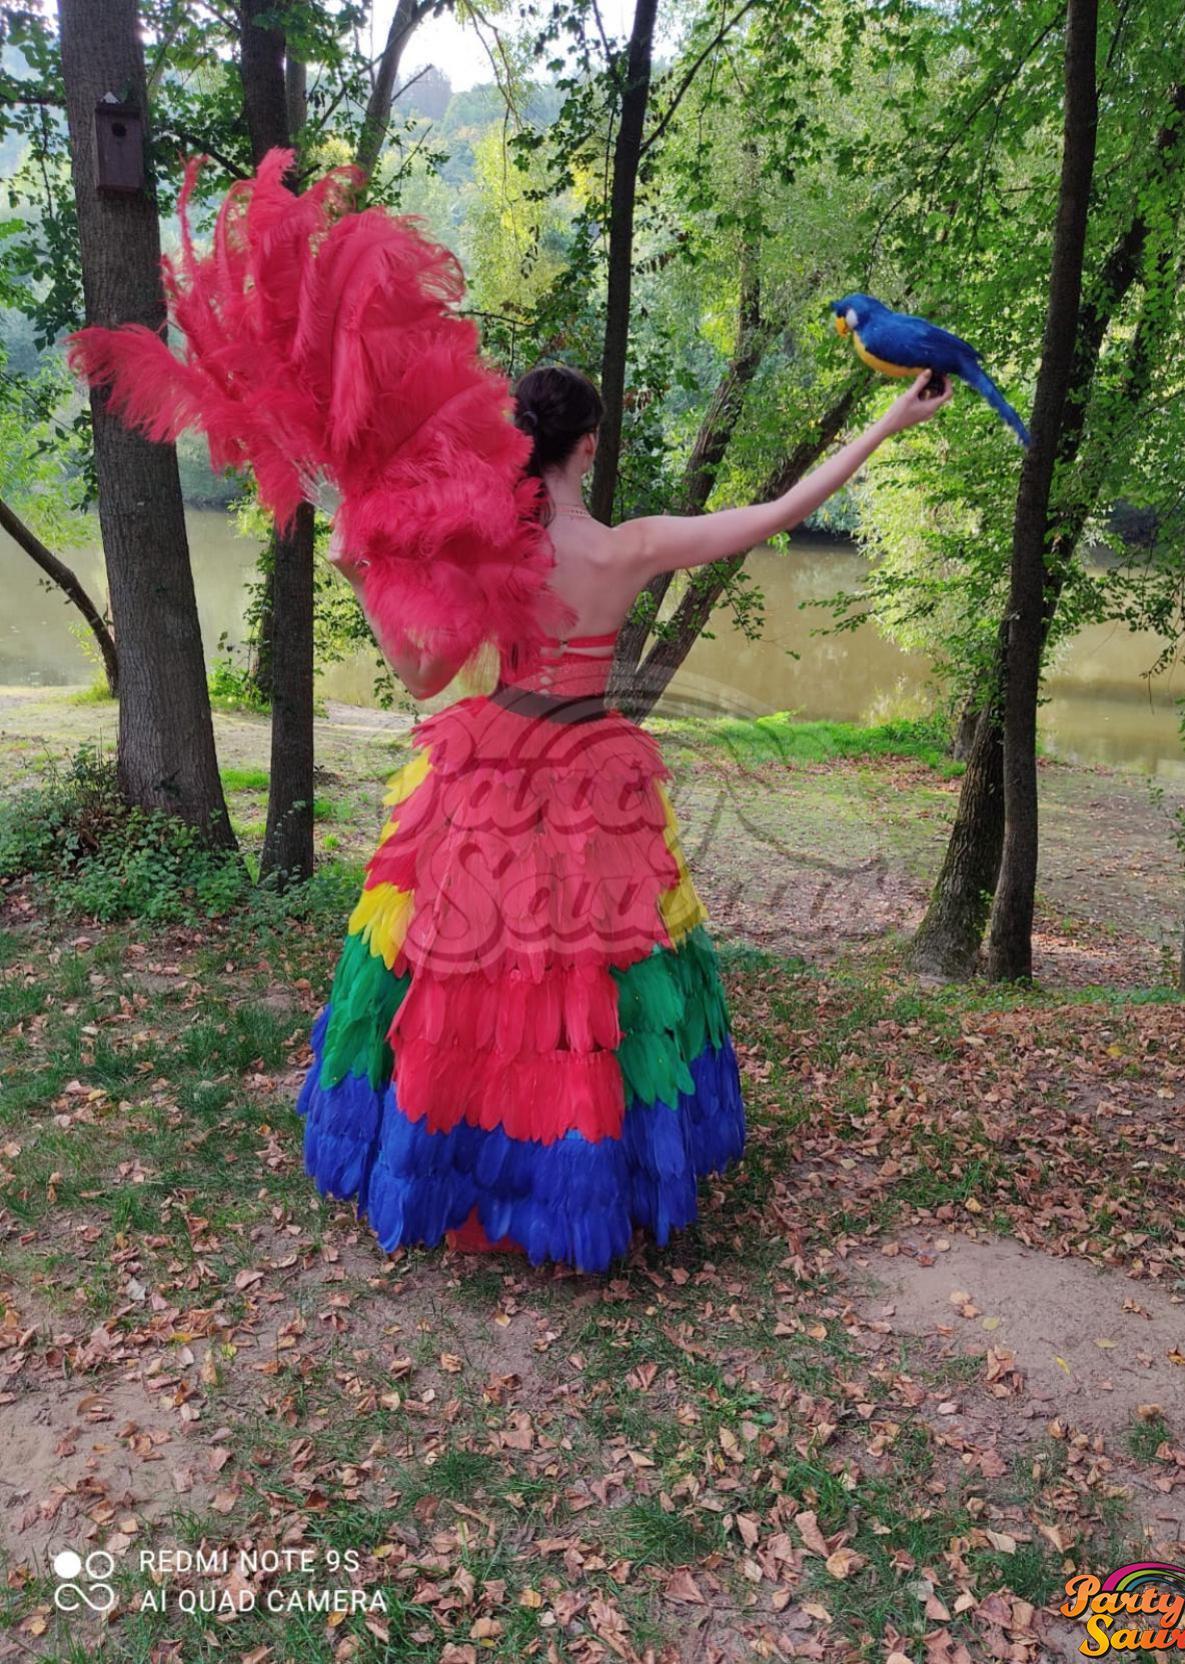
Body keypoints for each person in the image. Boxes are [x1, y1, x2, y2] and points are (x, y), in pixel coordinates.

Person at [295, 361, 953, 1271]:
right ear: (590, 445)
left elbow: (420, 677)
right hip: (593, 770)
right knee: (592, 980)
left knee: (475, 975)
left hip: (490, 767)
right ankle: (587, 1171)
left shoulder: (488, 550)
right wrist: (886, 423)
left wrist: (357, 569)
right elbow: (779, 513)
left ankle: (463, 1168)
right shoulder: (629, 547)